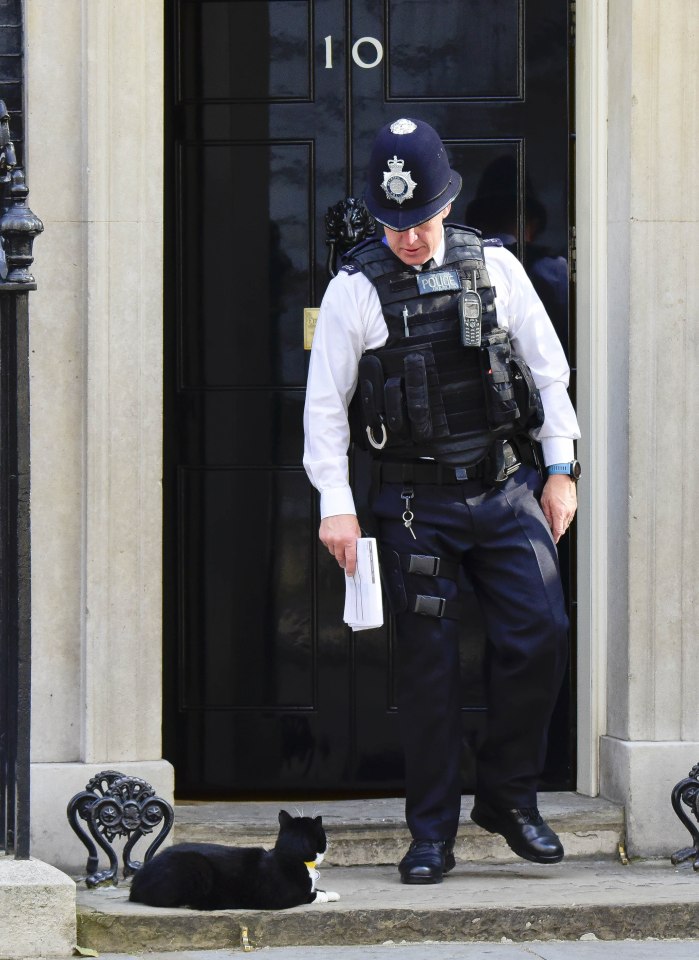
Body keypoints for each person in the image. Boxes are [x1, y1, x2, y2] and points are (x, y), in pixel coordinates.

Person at [303, 118, 581, 884]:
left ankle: (507, 797)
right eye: (394, 226)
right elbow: (325, 409)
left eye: (420, 223)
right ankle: (430, 834)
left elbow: (545, 368)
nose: (410, 240)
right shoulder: (353, 288)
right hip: (413, 507)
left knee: (540, 633)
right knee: (427, 669)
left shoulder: (493, 267)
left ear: (446, 204)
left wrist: (559, 470)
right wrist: (337, 504)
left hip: (503, 489)